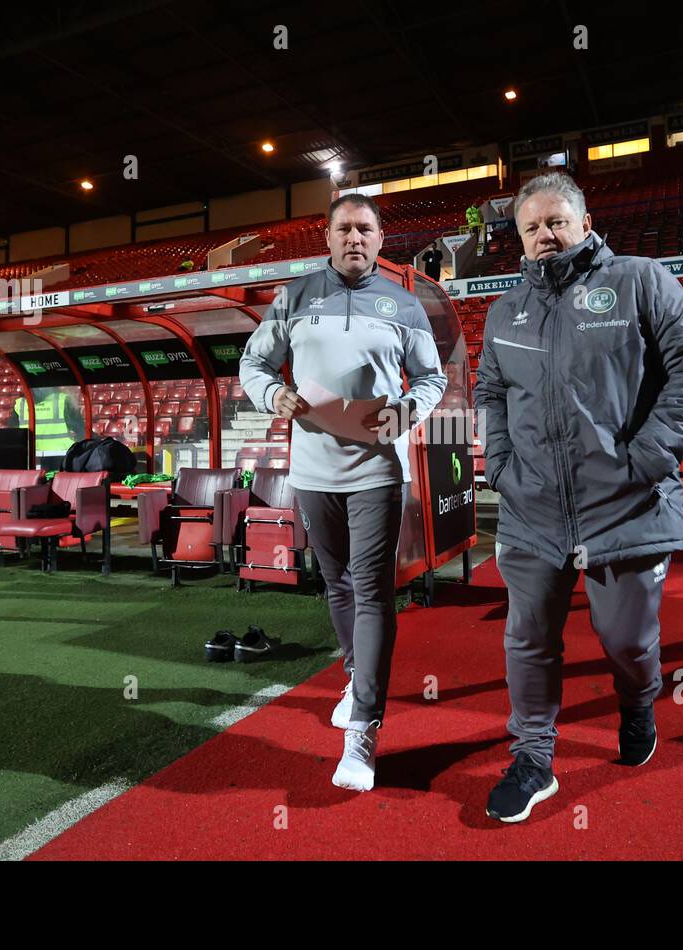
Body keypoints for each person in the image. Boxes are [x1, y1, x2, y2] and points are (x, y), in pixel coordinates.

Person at [473, 172, 683, 823]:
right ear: (520, 239)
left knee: (627, 643)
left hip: (626, 507)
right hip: (532, 511)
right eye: (532, 227)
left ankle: (637, 703)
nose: (545, 235)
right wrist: (500, 464)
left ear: (585, 223)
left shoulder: (639, 281)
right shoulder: (507, 311)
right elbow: (492, 395)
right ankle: (533, 757)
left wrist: (645, 458)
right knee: (528, 639)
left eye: (556, 222)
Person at [240, 193, 447, 792]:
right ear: (327, 239)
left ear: (381, 241)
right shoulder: (294, 297)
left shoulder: (404, 304)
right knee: (337, 584)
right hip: (311, 469)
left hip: (379, 468)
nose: (354, 238)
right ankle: (357, 676)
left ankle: (364, 730)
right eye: (343, 230)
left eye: (365, 229)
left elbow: (431, 379)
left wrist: (408, 409)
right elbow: (254, 367)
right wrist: (270, 395)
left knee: (374, 592)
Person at [12, 389, 81, 466]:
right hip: (60, 457)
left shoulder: (20, 403)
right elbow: (80, 430)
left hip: (31, 458)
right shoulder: (62, 400)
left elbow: (13, 433)